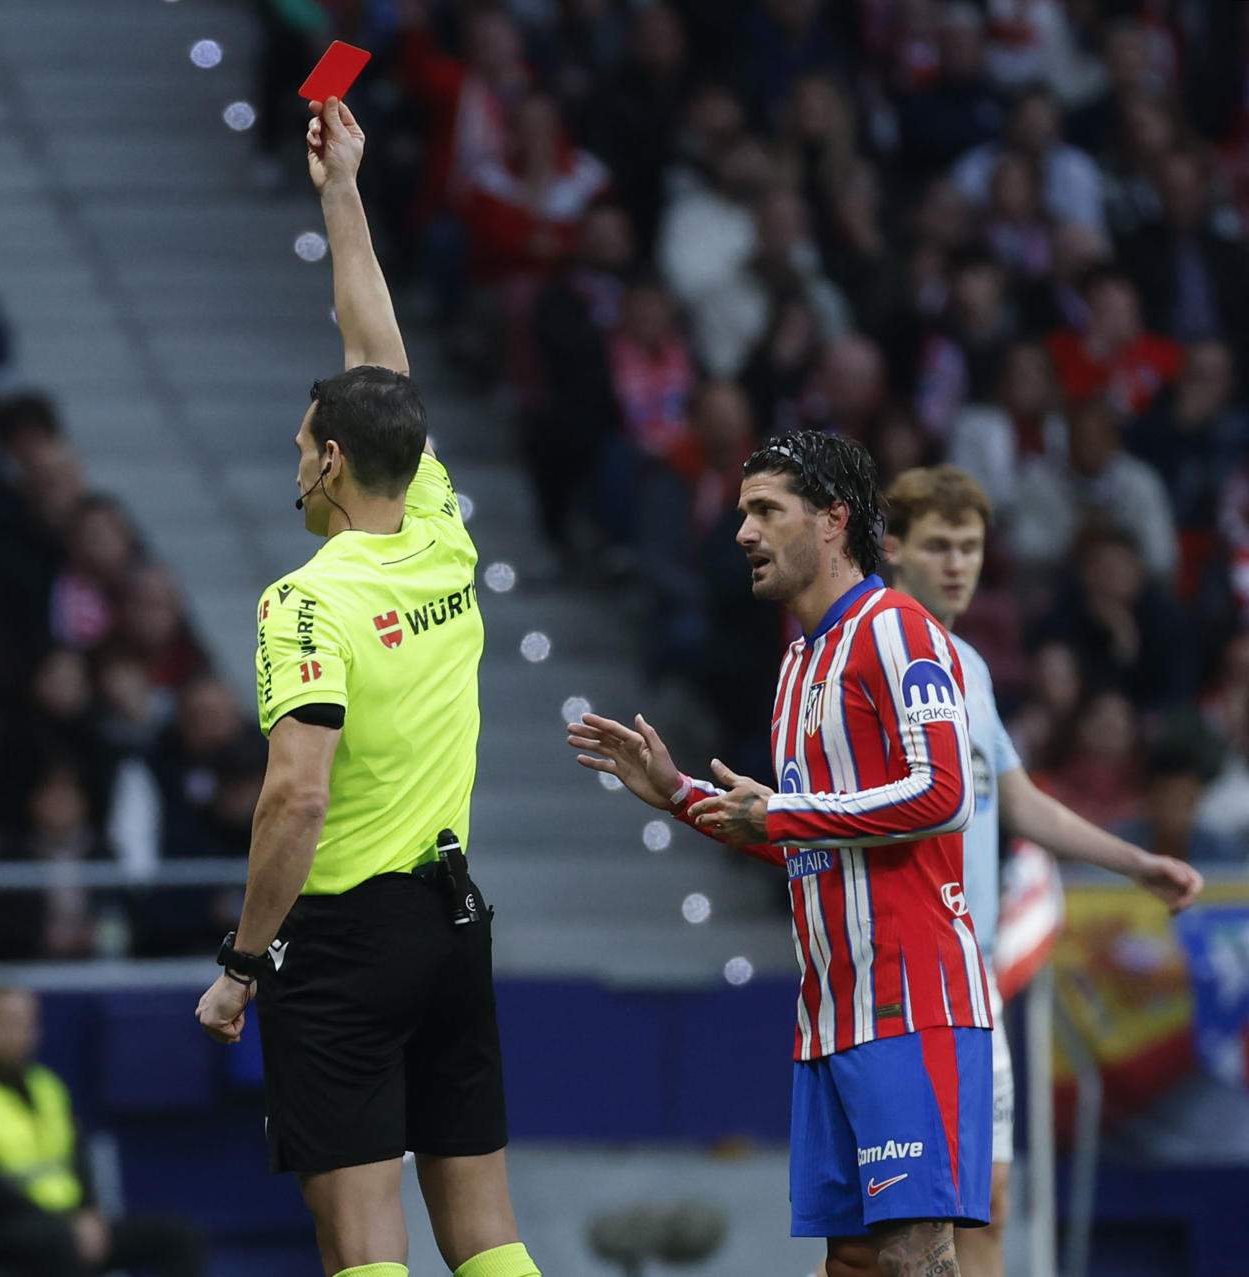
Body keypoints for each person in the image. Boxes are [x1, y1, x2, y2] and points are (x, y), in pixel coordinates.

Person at [193, 99, 541, 1277]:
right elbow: (377, 356)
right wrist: (341, 190)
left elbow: (295, 797)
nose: (296, 463)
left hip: (343, 938)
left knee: (366, 1249)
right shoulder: (441, 527)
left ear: (333, 462)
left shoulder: (308, 599)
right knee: (488, 1237)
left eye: (303, 446)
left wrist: (243, 963)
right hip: (454, 917)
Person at [569, 431, 988, 1276]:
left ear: (834, 521)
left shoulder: (897, 630)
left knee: (916, 1256)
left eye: (766, 511)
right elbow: (806, 845)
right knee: (855, 1263)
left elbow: (946, 794)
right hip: (830, 1014)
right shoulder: (798, 664)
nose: (743, 533)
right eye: (742, 513)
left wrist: (786, 810)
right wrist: (681, 794)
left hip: (914, 1003)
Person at [877, 464, 1204, 1277]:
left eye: (971, 547)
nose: (958, 564)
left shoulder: (973, 668)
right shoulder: (875, 661)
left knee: (985, 1210)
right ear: (891, 548)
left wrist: (1135, 861)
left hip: (976, 985)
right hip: (905, 985)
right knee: (892, 1237)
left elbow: (1018, 803)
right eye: (939, 545)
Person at [0, 987, 204, 1277]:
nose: (15, 1032)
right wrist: (67, 1226)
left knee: (180, 1238)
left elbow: (81, 1161)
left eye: (25, 1023)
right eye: (4, 1021)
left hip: (67, 1222)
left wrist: (88, 1216)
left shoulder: (49, 1087)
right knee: (62, 1242)